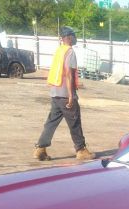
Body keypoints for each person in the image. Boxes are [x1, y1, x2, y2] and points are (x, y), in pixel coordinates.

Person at [34, 26, 94, 161]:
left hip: (55, 93)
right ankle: (81, 150)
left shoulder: (59, 50)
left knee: (51, 122)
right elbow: (68, 73)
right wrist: (71, 95)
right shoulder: (70, 52)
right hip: (65, 95)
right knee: (75, 122)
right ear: (69, 37)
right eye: (73, 35)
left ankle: (40, 149)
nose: (75, 38)